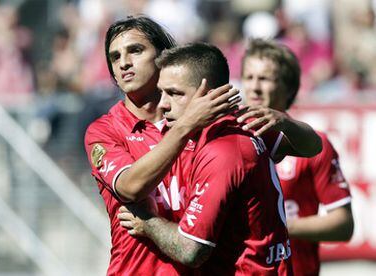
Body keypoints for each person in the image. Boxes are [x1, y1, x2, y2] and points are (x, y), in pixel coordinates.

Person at [117, 42, 322, 275]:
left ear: (209, 95)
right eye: (161, 92)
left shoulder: (226, 148)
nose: (163, 104)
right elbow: (313, 147)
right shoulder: (229, 125)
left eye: (174, 93)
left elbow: (190, 250)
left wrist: (147, 222)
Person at [84, 16, 241, 275]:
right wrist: (186, 126)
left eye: (135, 50)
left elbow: (307, 148)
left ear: (162, 56)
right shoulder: (104, 130)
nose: (123, 63)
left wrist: (283, 124)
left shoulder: (204, 117)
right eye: (114, 57)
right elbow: (130, 188)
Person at [239, 38, 354, 275]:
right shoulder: (228, 142)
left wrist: (275, 225)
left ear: (289, 88)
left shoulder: (312, 146)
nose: (254, 87)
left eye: (265, 78)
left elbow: (343, 225)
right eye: (249, 77)